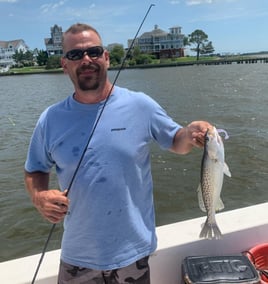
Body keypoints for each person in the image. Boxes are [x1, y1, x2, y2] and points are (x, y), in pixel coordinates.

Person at [24, 23, 212, 284]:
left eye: (94, 51)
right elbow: (35, 168)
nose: (86, 59)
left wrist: (191, 132)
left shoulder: (140, 105)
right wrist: (39, 195)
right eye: (76, 55)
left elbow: (176, 142)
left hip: (132, 255)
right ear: (64, 64)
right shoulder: (50, 119)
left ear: (107, 58)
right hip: (77, 255)